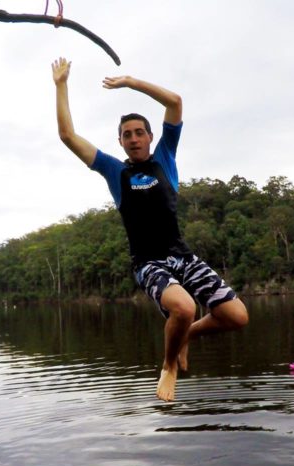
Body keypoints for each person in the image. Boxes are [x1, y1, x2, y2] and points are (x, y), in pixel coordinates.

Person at [51, 57, 248, 402]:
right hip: (149, 263)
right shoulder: (115, 172)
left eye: (139, 132)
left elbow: (175, 103)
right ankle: (169, 366)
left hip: (183, 257)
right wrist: (61, 85)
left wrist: (130, 82)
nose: (134, 138)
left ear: (150, 136)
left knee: (237, 317)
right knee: (184, 308)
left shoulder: (165, 159)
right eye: (127, 135)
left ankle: (185, 336)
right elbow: (67, 136)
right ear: (121, 142)